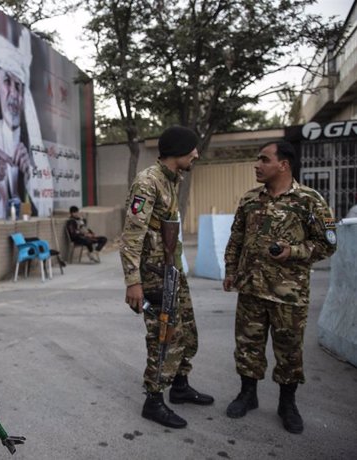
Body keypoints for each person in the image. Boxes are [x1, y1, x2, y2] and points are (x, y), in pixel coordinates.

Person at [223, 141, 337, 434]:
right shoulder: (250, 200)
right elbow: (236, 238)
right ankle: (248, 394)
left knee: (289, 350)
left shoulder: (309, 200)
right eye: (257, 159)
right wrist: (230, 271)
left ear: (283, 165)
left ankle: (287, 403)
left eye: (264, 159)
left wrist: (293, 252)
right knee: (248, 346)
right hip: (250, 288)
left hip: (289, 293)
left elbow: (328, 243)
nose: (257, 165)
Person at [120, 125, 214, 429]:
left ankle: (180, 386)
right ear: (179, 151)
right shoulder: (148, 182)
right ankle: (154, 399)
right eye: (193, 149)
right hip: (154, 276)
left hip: (172, 271)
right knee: (164, 336)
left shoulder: (172, 180)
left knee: (185, 331)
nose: (197, 154)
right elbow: (132, 236)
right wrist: (133, 282)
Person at [0, 29, 53, 219]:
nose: (13, 94)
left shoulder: (35, 146)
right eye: (7, 82)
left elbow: (48, 207)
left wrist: (30, 176)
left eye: (18, 86)